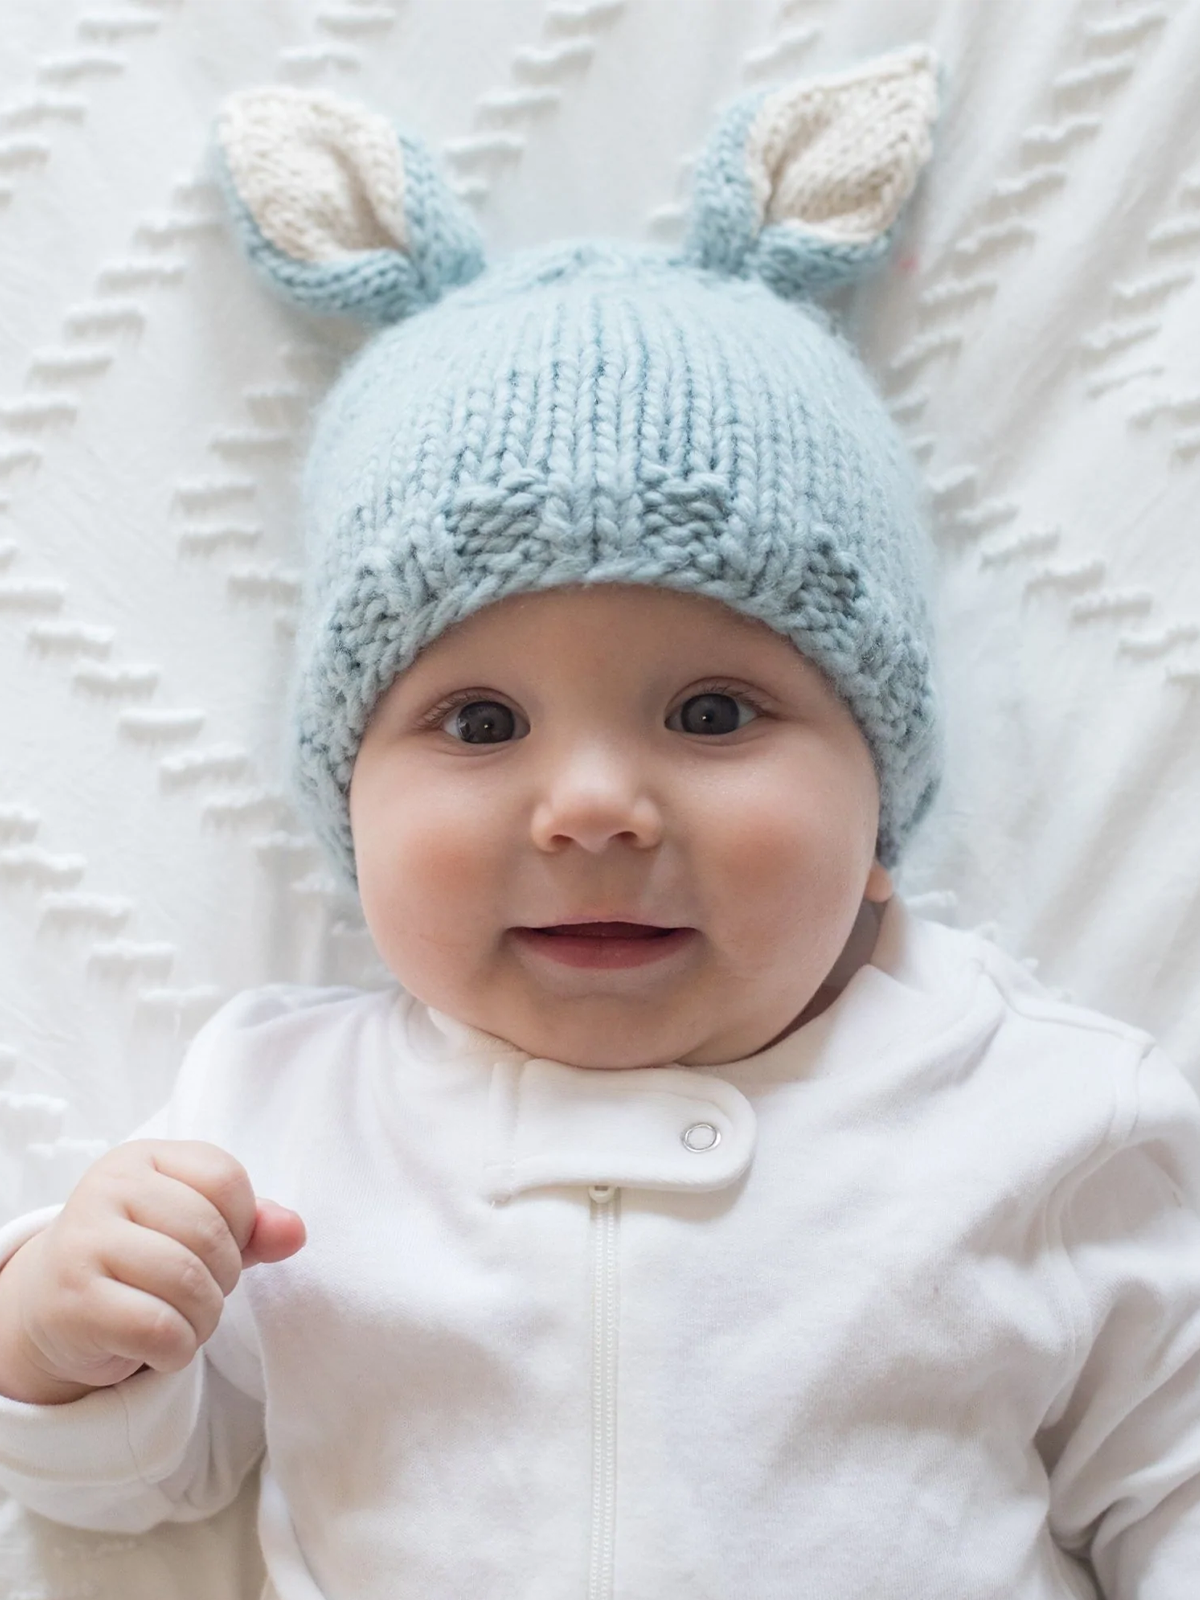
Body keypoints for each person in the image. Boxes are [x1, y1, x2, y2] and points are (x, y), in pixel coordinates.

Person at [0, 46, 1198, 1600]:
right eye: (479, 725)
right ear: (346, 808)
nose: (589, 808)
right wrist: (57, 1331)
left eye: (712, 716)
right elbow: (127, 1490)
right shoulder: (274, 1114)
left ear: (881, 805)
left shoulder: (1040, 1111)